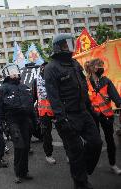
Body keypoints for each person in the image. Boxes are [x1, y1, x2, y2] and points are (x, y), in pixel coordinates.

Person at [44, 33, 103, 189]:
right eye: (65, 45)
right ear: (58, 47)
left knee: (96, 143)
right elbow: (53, 97)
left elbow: (83, 86)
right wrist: (62, 119)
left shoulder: (75, 63)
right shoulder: (51, 68)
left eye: (71, 44)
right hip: (68, 116)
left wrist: (90, 108)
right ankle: (81, 183)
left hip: (84, 112)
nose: (69, 47)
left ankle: (84, 170)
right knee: (75, 152)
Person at [0, 64, 34, 183]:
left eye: (15, 71)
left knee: (26, 146)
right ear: (7, 74)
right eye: (11, 72)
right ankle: (18, 173)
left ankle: (24, 171)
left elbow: (31, 105)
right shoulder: (3, 88)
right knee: (19, 146)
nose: (14, 73)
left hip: (25, 120)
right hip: (12, 121)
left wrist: (35, 120)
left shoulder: (24, 87)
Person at [84, 58, 121, 175]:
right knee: (92, 142)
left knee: (110, 141)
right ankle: (87, 164)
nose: (102, 68)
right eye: (99, 65)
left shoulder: (106, 81)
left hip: (107, 115)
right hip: (92, 116)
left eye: (102, 65)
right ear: (92, 68)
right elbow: (83, 101)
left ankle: (113, 164)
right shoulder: (85, 83)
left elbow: (116, 98)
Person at [32, 62, 56, 164]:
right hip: (44, 112)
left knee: (65, 132)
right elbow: (34, 96)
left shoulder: (55, 79)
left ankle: (69, 153)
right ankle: (48, 154)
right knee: (46, 135)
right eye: (44, 68)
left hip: (57, 110)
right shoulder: (36, 81)